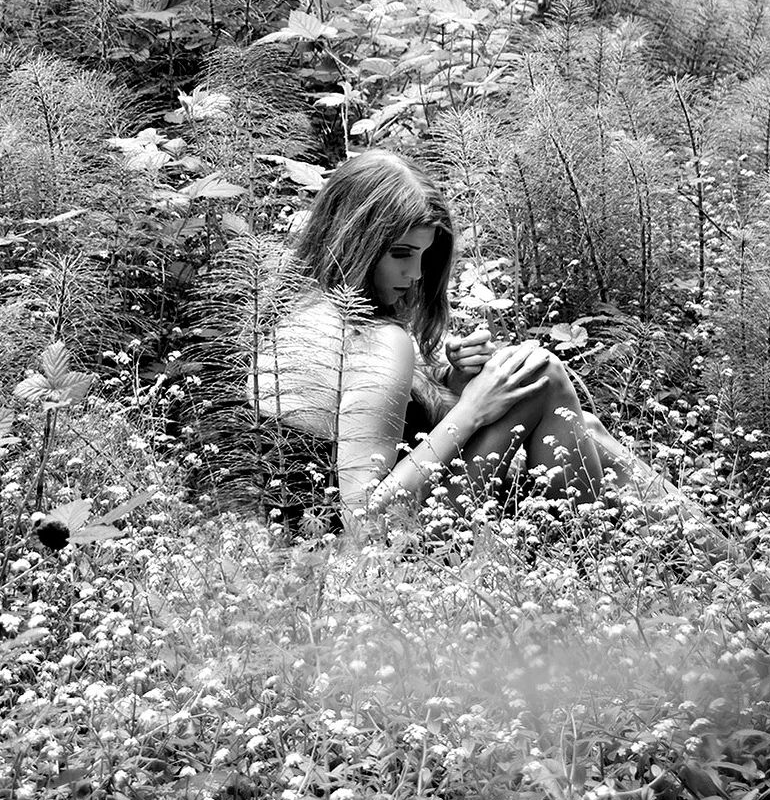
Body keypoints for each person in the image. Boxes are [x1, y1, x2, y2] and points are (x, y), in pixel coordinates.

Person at [250, 149, 705, 543]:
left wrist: (444, 381)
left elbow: (347, 434)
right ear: (353, 242)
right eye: (402, 254)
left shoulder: (295, 314)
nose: (415, 277)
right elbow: (364, 522)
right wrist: (472, 409)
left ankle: (729, 569)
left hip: (289, 535)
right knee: (539, 373)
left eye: (426, 258)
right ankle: (585, 559)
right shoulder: (377, 341)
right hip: (362, 556)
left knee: (584, 426)